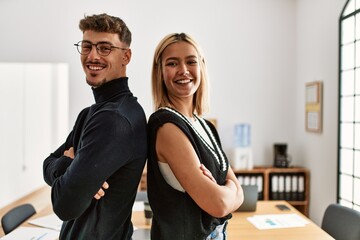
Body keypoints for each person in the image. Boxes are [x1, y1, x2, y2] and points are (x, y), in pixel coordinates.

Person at [43, 13, 147, 240]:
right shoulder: (90, 114)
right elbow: (47, 164)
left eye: (104, 48)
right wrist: (68, 166)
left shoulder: (115, 119)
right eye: (87, 46)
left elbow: (64, 205)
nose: (92, 56)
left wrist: (71, 170)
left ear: (126, 56)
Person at [147, 33, 244, 240]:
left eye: (191, 61)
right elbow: (219, 205)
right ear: (160, 71)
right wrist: (228, 189)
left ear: (201, 66)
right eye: (172, 63)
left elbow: (240, 193)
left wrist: (223, 190)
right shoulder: (166, 126)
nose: (183, 70)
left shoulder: (206, 126)